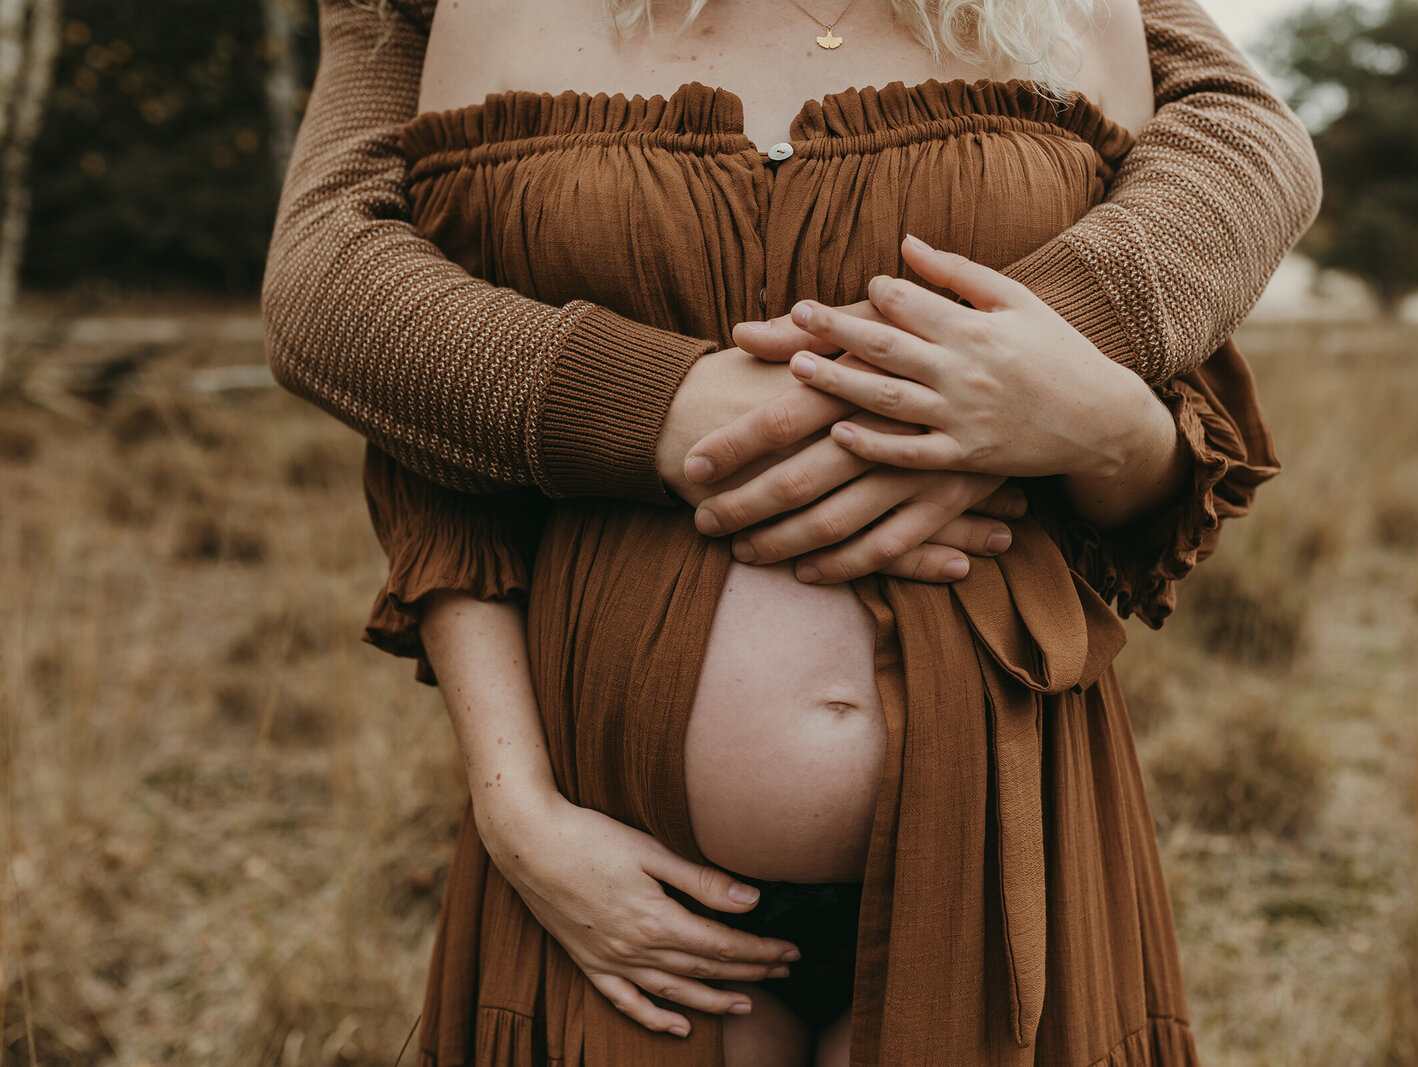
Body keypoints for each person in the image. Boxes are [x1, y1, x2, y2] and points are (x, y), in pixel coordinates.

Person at [261, 0, 1316, 1062]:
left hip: (1005, 841)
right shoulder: (464, 21)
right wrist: (518, 808)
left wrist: (1079, 406)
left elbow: (1157, 460)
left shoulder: (1077, 18)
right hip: (606, 830)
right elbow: (422, 427)